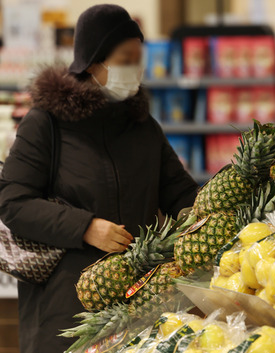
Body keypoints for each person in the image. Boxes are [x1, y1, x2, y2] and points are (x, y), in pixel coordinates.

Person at [0, 5, 199, 353]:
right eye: (125, 58)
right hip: (64, 312)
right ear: (94, 63)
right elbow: (13, 202)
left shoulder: (142, 127)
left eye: (139, 58)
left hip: (136, 306)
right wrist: (85, 226)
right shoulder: (46, 123)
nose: (136, 68)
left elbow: (179, 192)